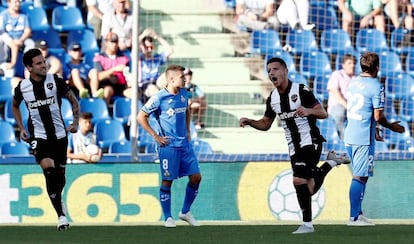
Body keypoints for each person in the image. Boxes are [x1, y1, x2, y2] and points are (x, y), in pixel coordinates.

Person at [239, 57, 350, 234]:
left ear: (285, 71)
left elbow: (323, 113)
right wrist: (251, 122)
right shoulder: (273, 98)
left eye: (275, 69)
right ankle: (331, 162)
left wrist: (308, 111)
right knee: (309, 188)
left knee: (298, 180)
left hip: (310, 141)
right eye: (268, 70)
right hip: (293, 147)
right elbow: (266, 124)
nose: (271, 73)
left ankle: (307, 225)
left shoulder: (301, 90)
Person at [11, 48, 80, 230]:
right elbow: (15, 106)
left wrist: (75, 122)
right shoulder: (22, 87)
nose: (44, 65)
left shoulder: (55, 81)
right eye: (39, 63)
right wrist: (21, 128)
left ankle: (58, 199)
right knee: (49, 171)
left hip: (60, 135)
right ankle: (61, 216)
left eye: (44, 62)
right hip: (38, 136)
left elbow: (74, 100)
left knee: (60, 176)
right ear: (29, 68)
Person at [137, 64, 202, 228]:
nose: (185, 79)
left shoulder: (184, 93)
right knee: (167, 181)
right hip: (168, 146)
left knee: (196, 177)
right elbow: (141, 116)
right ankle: (168, 218)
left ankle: (185, 212)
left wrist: (188, 129)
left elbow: (186, 110)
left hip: (184, 144)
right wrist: (155, 136)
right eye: (182, 77)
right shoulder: (159, 98)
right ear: (172, 79)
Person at [344, 52, 405, 226]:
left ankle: (359, 213)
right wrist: (391, 126)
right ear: (377, 67)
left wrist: (375, 129)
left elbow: (365, 109)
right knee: (359, 177)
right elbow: (378, 115)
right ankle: (353, 218)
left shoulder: (353, 83)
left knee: (361, 175)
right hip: (363, 137)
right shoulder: (376, 86)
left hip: (350, 134)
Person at [124, 28, 173, 102]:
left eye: (151, 47)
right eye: (147, 47)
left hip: (156, 83)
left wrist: (157, 36)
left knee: (169, 74)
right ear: (142, 47)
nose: (149, 50)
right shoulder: (139, 58)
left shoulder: (157, 58)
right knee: (153, 89)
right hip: (144, 86)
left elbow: (170, 50)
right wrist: (143, 34)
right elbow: (134, 45)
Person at [0, 0, 35, 78]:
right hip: (8, 39)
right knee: (1, 40)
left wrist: (21, 40)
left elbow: (28, 31)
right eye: (15, 2)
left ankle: (29, 71)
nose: (18, 4)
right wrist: (12, 41)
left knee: (31, 44)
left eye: (19, 2)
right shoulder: (3, 15)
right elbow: (2, 32)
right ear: (9, 3)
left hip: (22, 39)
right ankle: (2, 64)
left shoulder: (24, 15)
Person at [93, 31, 129, 103]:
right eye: (112, 42)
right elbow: (99, 76)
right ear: (106, 43)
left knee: (134, 93)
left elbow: (128, 74)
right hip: (107, 84)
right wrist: (113, 70)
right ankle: (104, 112)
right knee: (107, 91)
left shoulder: (124, 58)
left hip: (121, 86)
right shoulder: (99, 58)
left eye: (116, 42)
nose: (114, 45)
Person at [327, 54, 356, 140]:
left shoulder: (356, 78)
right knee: (340, 112)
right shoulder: (337, 74)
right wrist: (347, 106)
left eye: (354, 63)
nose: (352, 65)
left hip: (353, 106)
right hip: (338, 106)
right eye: (349, 63)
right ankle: (342, 140)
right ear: (343, 65)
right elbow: (334, 92)